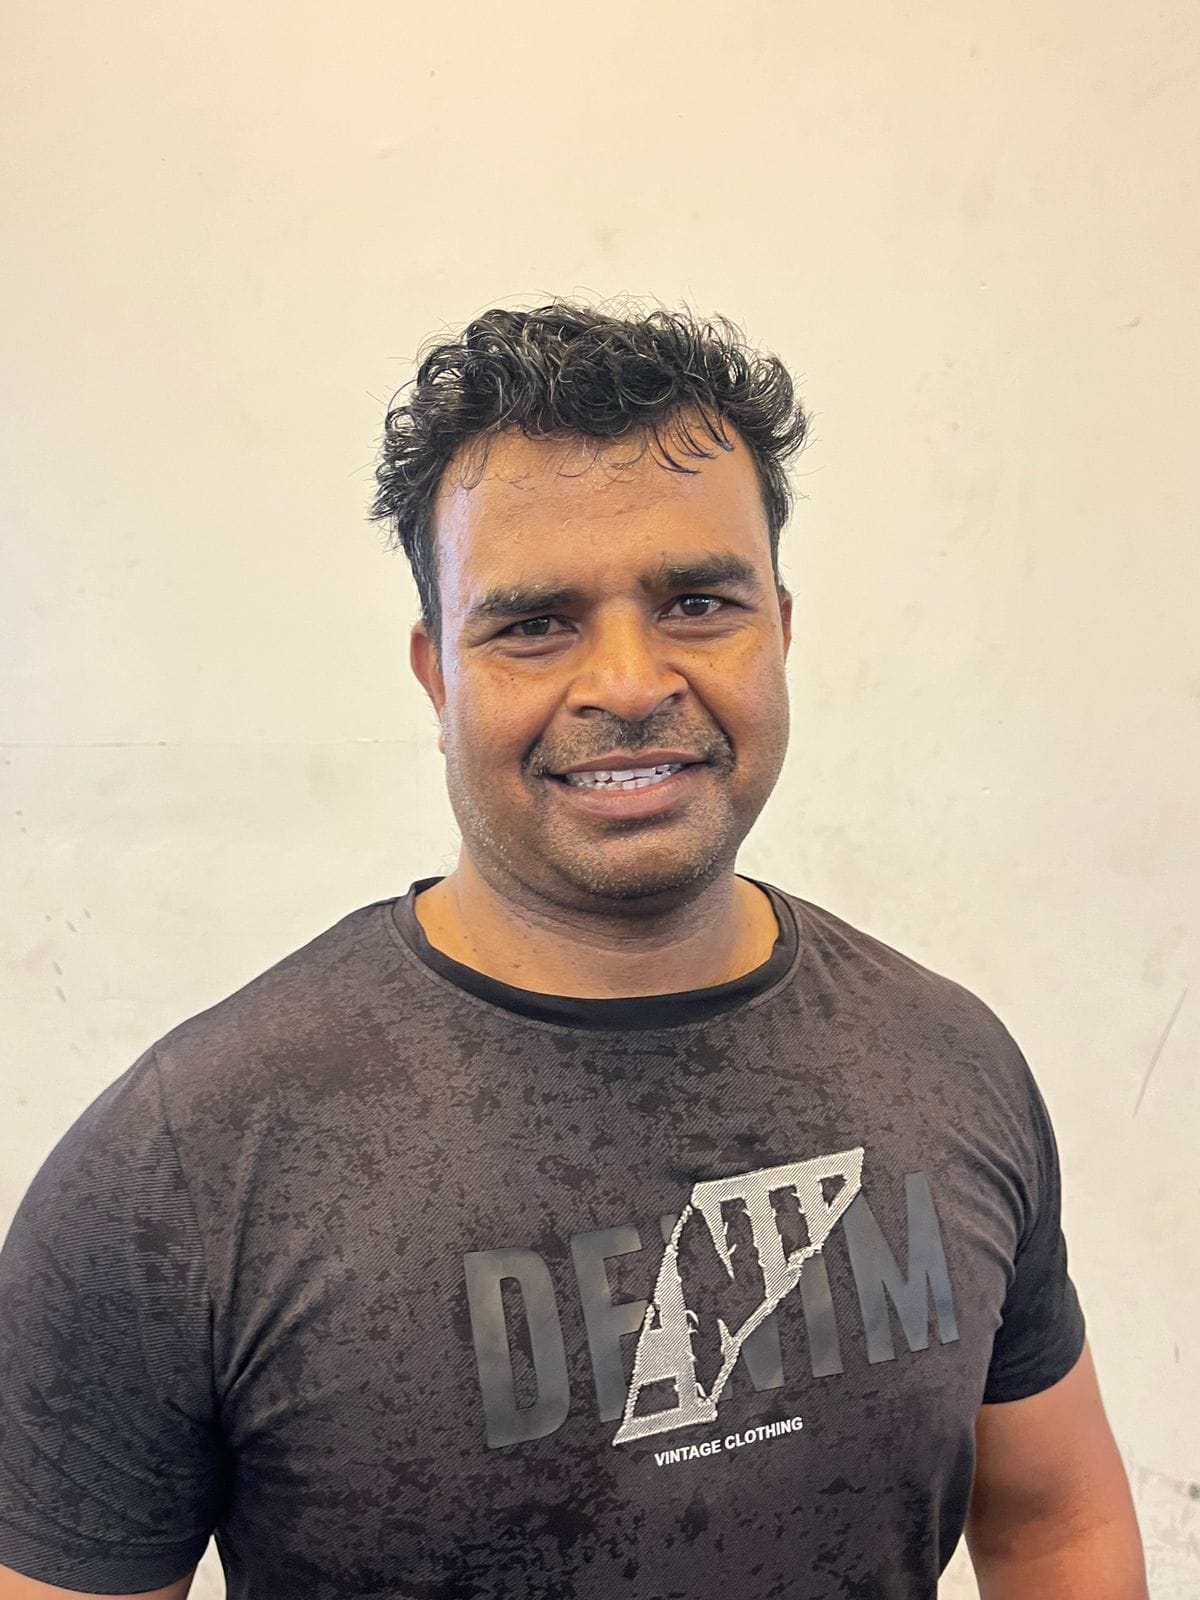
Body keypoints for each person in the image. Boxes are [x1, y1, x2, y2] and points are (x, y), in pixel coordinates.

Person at [0, 300, 1147, 1600]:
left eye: (697, 603)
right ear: (438, 675)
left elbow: (1056, 1528)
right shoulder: (186, 1166)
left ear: (779, 626)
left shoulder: (947, 1063)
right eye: (536, 623)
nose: (628, 683)